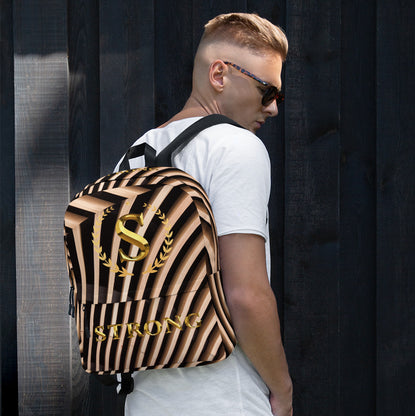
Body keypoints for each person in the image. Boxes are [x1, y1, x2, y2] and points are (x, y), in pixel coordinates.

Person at [115, 12, 293, 416]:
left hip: (144, 400)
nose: (273, 109)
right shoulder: (235, 146)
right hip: (224, 399)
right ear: (219, 74)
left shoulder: (133, 157)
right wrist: (283, 390)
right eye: (267, 91)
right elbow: (245, 294)